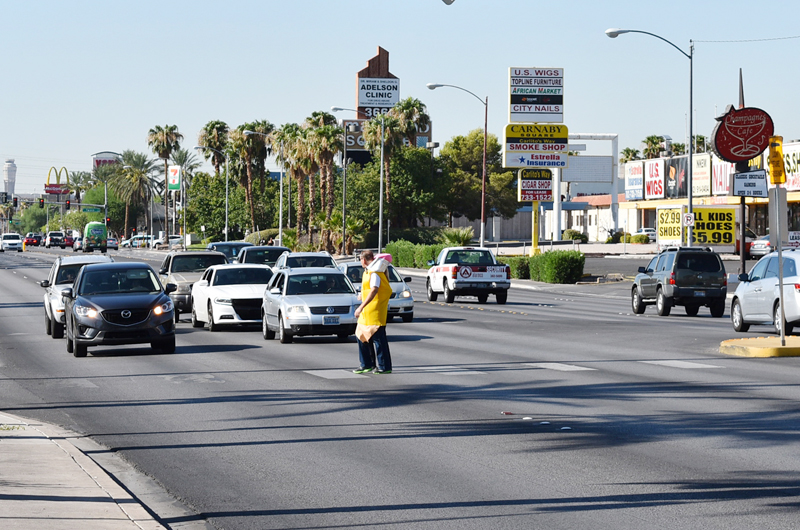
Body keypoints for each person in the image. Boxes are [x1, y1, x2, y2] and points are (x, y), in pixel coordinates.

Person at [353, 250, 393, 374]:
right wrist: (361, 296)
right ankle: (366, 364)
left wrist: (361, 307)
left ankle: (384, 366)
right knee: (362, 335)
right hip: (368, 311)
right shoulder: (368, 272)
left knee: (378, 338)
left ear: (364, 260)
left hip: (374, 310)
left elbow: (374, 290)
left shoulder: (374, 272)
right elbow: (367, 289)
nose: (360, 262)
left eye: (360, 259)